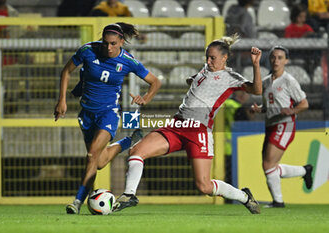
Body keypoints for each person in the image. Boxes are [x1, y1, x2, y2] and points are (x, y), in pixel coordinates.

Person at [113, 34, 263, 214]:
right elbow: (193, 82)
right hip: (177, 124)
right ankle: (129, 195)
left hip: (199, 131)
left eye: (212, 58)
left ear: (224, 58)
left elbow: (257, 90)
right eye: (207, 57)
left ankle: (244, 197)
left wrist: (255, 64)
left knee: (204, 186)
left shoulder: (230, 77)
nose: (208, 61)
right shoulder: (205, 69)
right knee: (136, 151)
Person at [54, 22, 161, 214]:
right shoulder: (87, 50)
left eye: (113, 43)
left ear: (121, 41)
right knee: (100, 161)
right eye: (105, 43)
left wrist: (145, 98)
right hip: (86, 113)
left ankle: (77, 201)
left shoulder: (128, 61)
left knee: (92, 154)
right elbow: (65, 71)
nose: (108, 48)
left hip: (109, 113)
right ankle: (130, 140)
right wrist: (62, 100)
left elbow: (155, 82)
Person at [251, 45, 313, 208]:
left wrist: (292, 110)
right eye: (273, 57)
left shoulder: (289, 81)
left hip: (284, 124)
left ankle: (278, 202)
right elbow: (270, 105)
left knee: (268, 164)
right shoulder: (266, 82)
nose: (276, 60)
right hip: (270, 124)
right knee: (269, 166)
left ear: (286, 61)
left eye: (280, 57)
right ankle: (304, 171)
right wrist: (260, 109)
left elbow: (304, 103)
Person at [223, 91, 253, 186]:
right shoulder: (237, 108)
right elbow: (245, 126)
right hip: (233, 147)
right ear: (242, 95)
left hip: (221, 146)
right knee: (232, 176)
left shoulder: (225, 104)